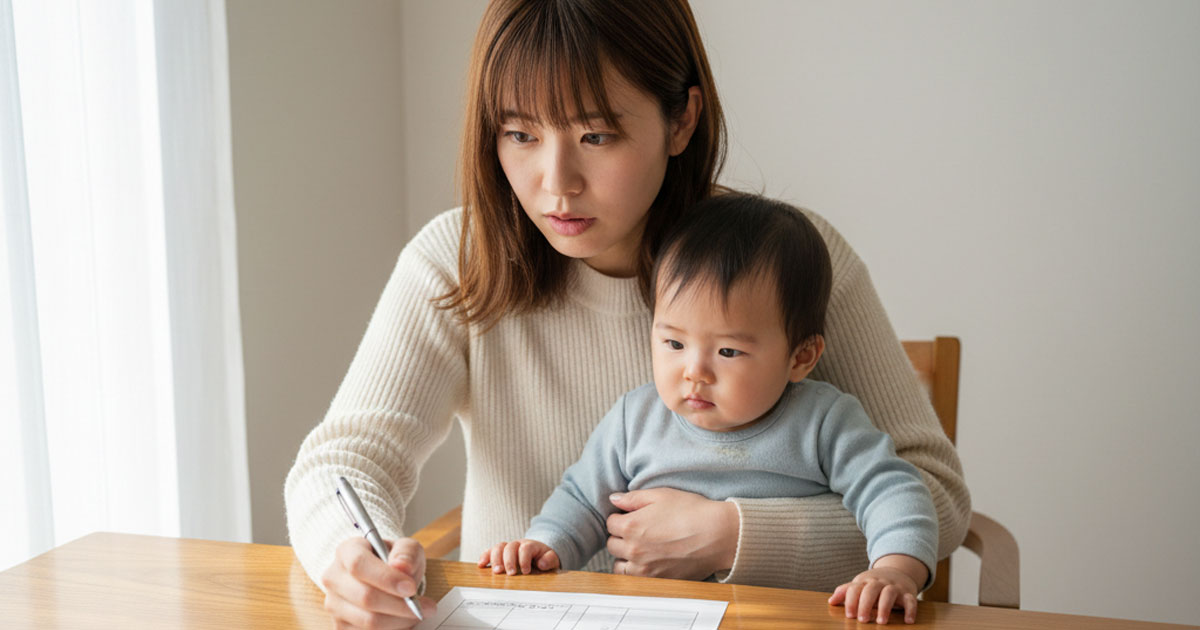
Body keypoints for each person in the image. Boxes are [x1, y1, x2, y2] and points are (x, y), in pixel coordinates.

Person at [284, 1, 971, 628]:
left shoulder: (784, 264)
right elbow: (344, 461)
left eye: (597, 136)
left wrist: (732, 533)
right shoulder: (457, 260)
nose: (556, 183)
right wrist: (350, 555)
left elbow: (934, 495)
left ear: (682, 120)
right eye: (520, 135)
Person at [479, 194, 938, 625]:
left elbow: (892, 491)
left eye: (728, 352)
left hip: (787, 620)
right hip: (654, 618)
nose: (694, 372)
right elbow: (581, 500)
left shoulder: (824, 421)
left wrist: (895, 569)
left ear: (800, 357)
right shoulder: (634, 420)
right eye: (674, 343)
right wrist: (544, 545)